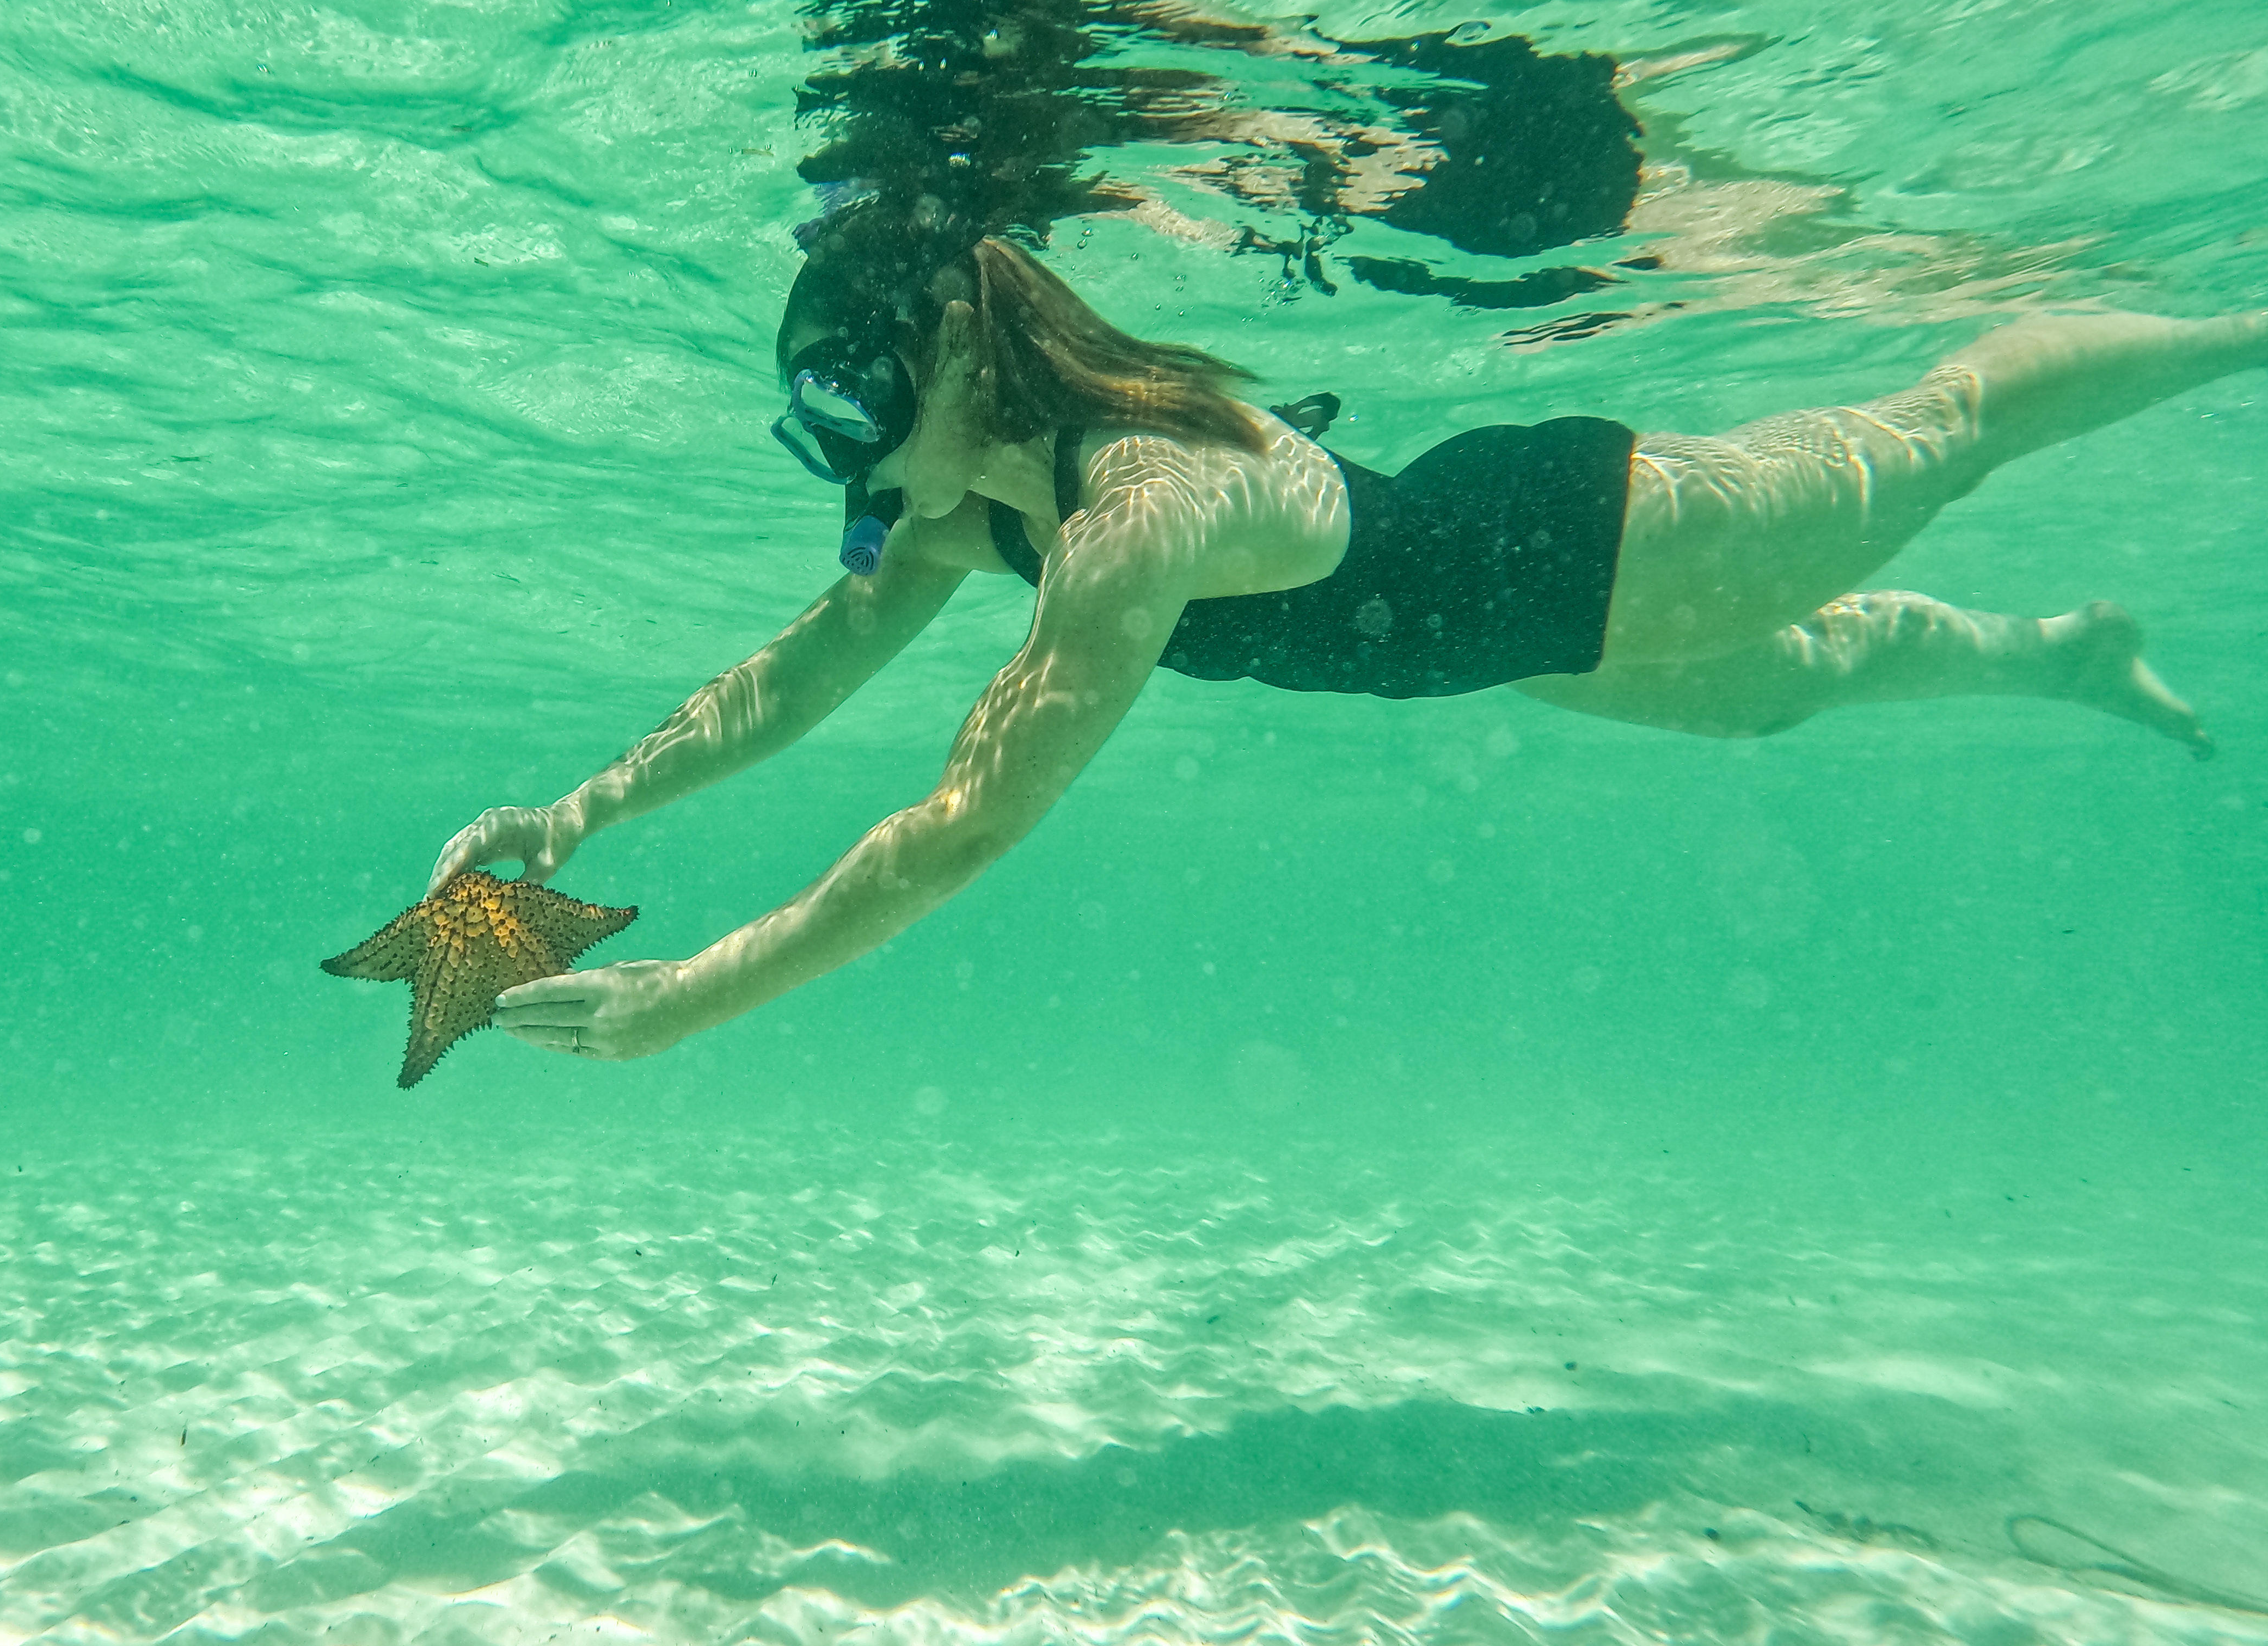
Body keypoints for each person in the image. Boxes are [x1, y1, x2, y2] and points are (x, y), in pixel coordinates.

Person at [446, 230, 2260, 1063]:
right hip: (1492, 638)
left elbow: (963, 825)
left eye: (848, 400)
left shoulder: (1128, 509)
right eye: (809, 426)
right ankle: (2064, 653)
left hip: (1588, 541)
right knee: (1785, 695)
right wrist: (579, 815)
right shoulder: (968, 507)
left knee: (1938, 437)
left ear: (945, 340)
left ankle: (2240, 323)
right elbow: (803, 672)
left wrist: (693, 998)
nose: (840, 457)